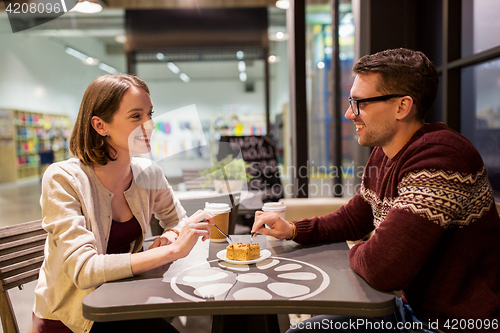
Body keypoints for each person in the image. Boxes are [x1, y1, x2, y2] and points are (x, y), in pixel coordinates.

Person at [252, 48, 500, 332]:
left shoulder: (442, 159)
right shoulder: (385, 153)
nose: (349, 114)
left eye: (360, 103)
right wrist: (293, 230)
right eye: (350, 102)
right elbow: (354, 218)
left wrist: (361, 250)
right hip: (411, 310)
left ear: (402, 107)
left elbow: (384, 269)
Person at [32, 74, 214, 333]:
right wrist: (170, 251)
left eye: (150, 114)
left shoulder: (148, 173)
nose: (150, 126)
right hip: (74, 317)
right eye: (136, 116)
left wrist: (173, 235)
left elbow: (177, 219)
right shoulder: (63, 178)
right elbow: (84, 269)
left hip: (122, 301)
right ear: (100, 125)